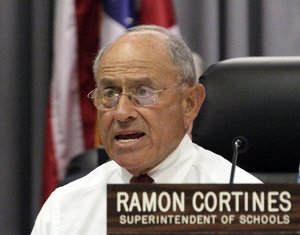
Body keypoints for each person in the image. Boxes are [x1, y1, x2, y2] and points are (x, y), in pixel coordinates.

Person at [31, 25, 261, 235]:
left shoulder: (250, 207)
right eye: (110, 93)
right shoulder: (64, 209)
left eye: (143, 92)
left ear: (189, 103)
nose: (122, 113)